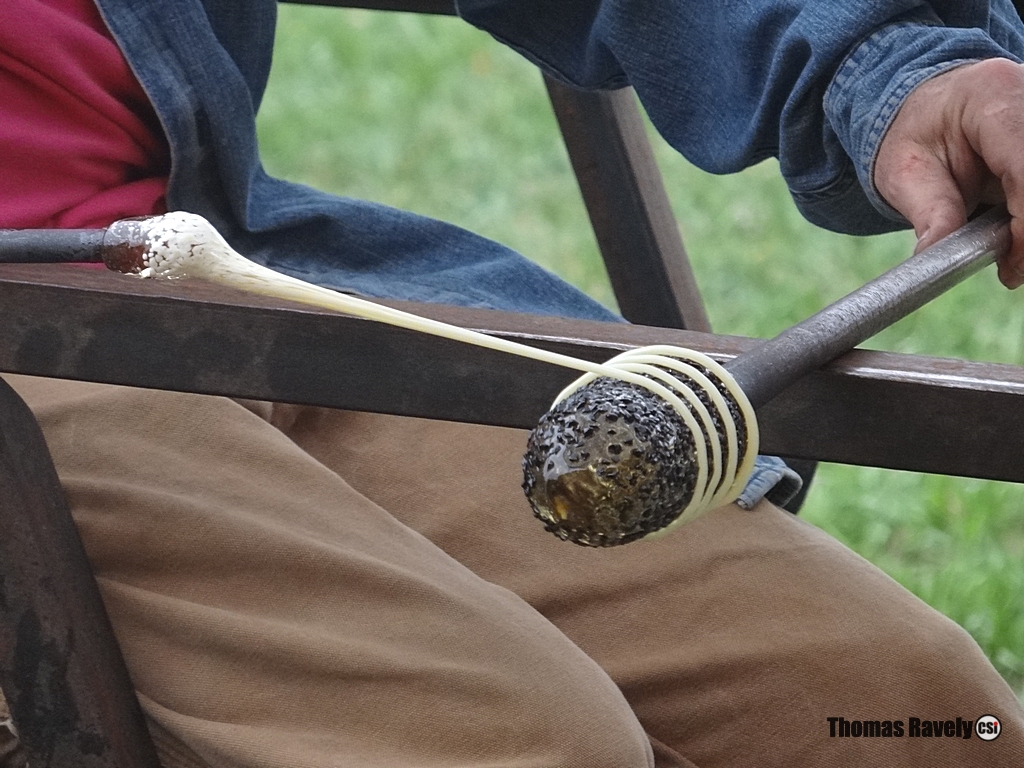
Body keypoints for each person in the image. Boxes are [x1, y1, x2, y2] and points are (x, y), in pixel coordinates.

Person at [1, 0, 1022, 766]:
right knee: (523, 743)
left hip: (212, 284)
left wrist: (882, 68)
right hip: (36, 366)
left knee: (908, 711)